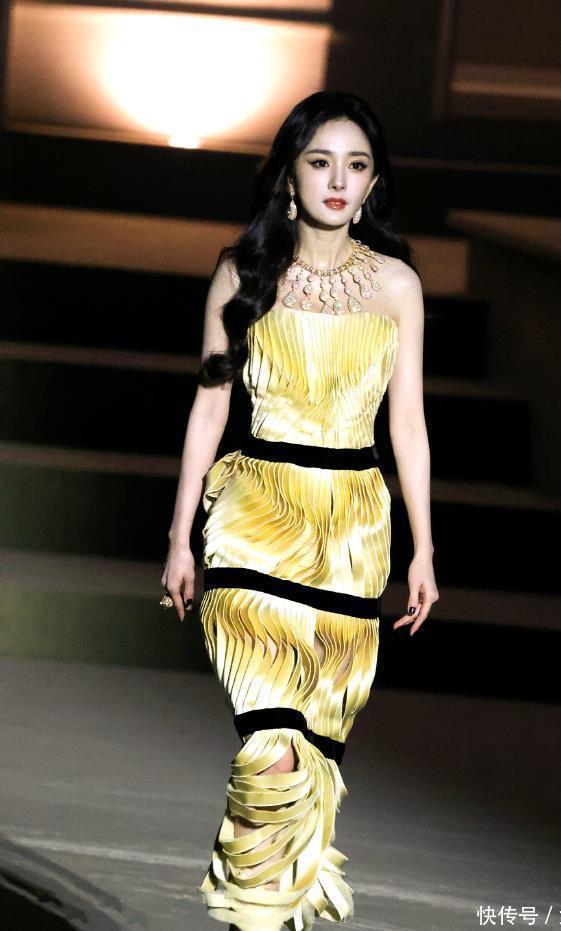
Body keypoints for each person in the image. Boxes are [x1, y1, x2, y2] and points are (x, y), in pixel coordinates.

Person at [160, 89, 438, 931]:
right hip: (252, 520)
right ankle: (258, 912)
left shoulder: (396, 286)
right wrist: (180, 537)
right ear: (289, 174)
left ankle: (262, 914)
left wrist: (424, 549)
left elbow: (408, 424)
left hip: (352, 532)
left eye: (356, 165)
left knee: (311, 754)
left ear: (374, 183)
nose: (338, 180)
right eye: (320, 162)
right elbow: (210, 405)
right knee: (272, 744)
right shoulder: (242, 274)